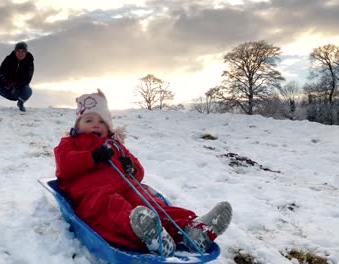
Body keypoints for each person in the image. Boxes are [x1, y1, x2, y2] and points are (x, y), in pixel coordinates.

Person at [54, 89, 232, 257]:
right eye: (89, 120)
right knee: (114, 207)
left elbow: (139, 174)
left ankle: (191, 230)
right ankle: (149, 236)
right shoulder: (70, 144)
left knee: (150, 205)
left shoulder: (115, 145)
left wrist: (131, 166)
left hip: (125, 186)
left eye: (102, 121)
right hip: (94, 191)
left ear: (108, 126)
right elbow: (64, 166)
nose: (96, 125)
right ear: (77, 125)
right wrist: (91, 157)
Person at [0, 41, 34, 112]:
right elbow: (0, 73)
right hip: (4, 89)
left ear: (26, 53)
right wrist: (6, 82)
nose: (20, 53)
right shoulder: (8, 59)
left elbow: (27, 79)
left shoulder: (29, 62)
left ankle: (20, 104)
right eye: (18, 51)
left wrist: (16, 86)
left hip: (16, 93)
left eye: (23, 51)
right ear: (15, 52)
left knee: (28, 90)